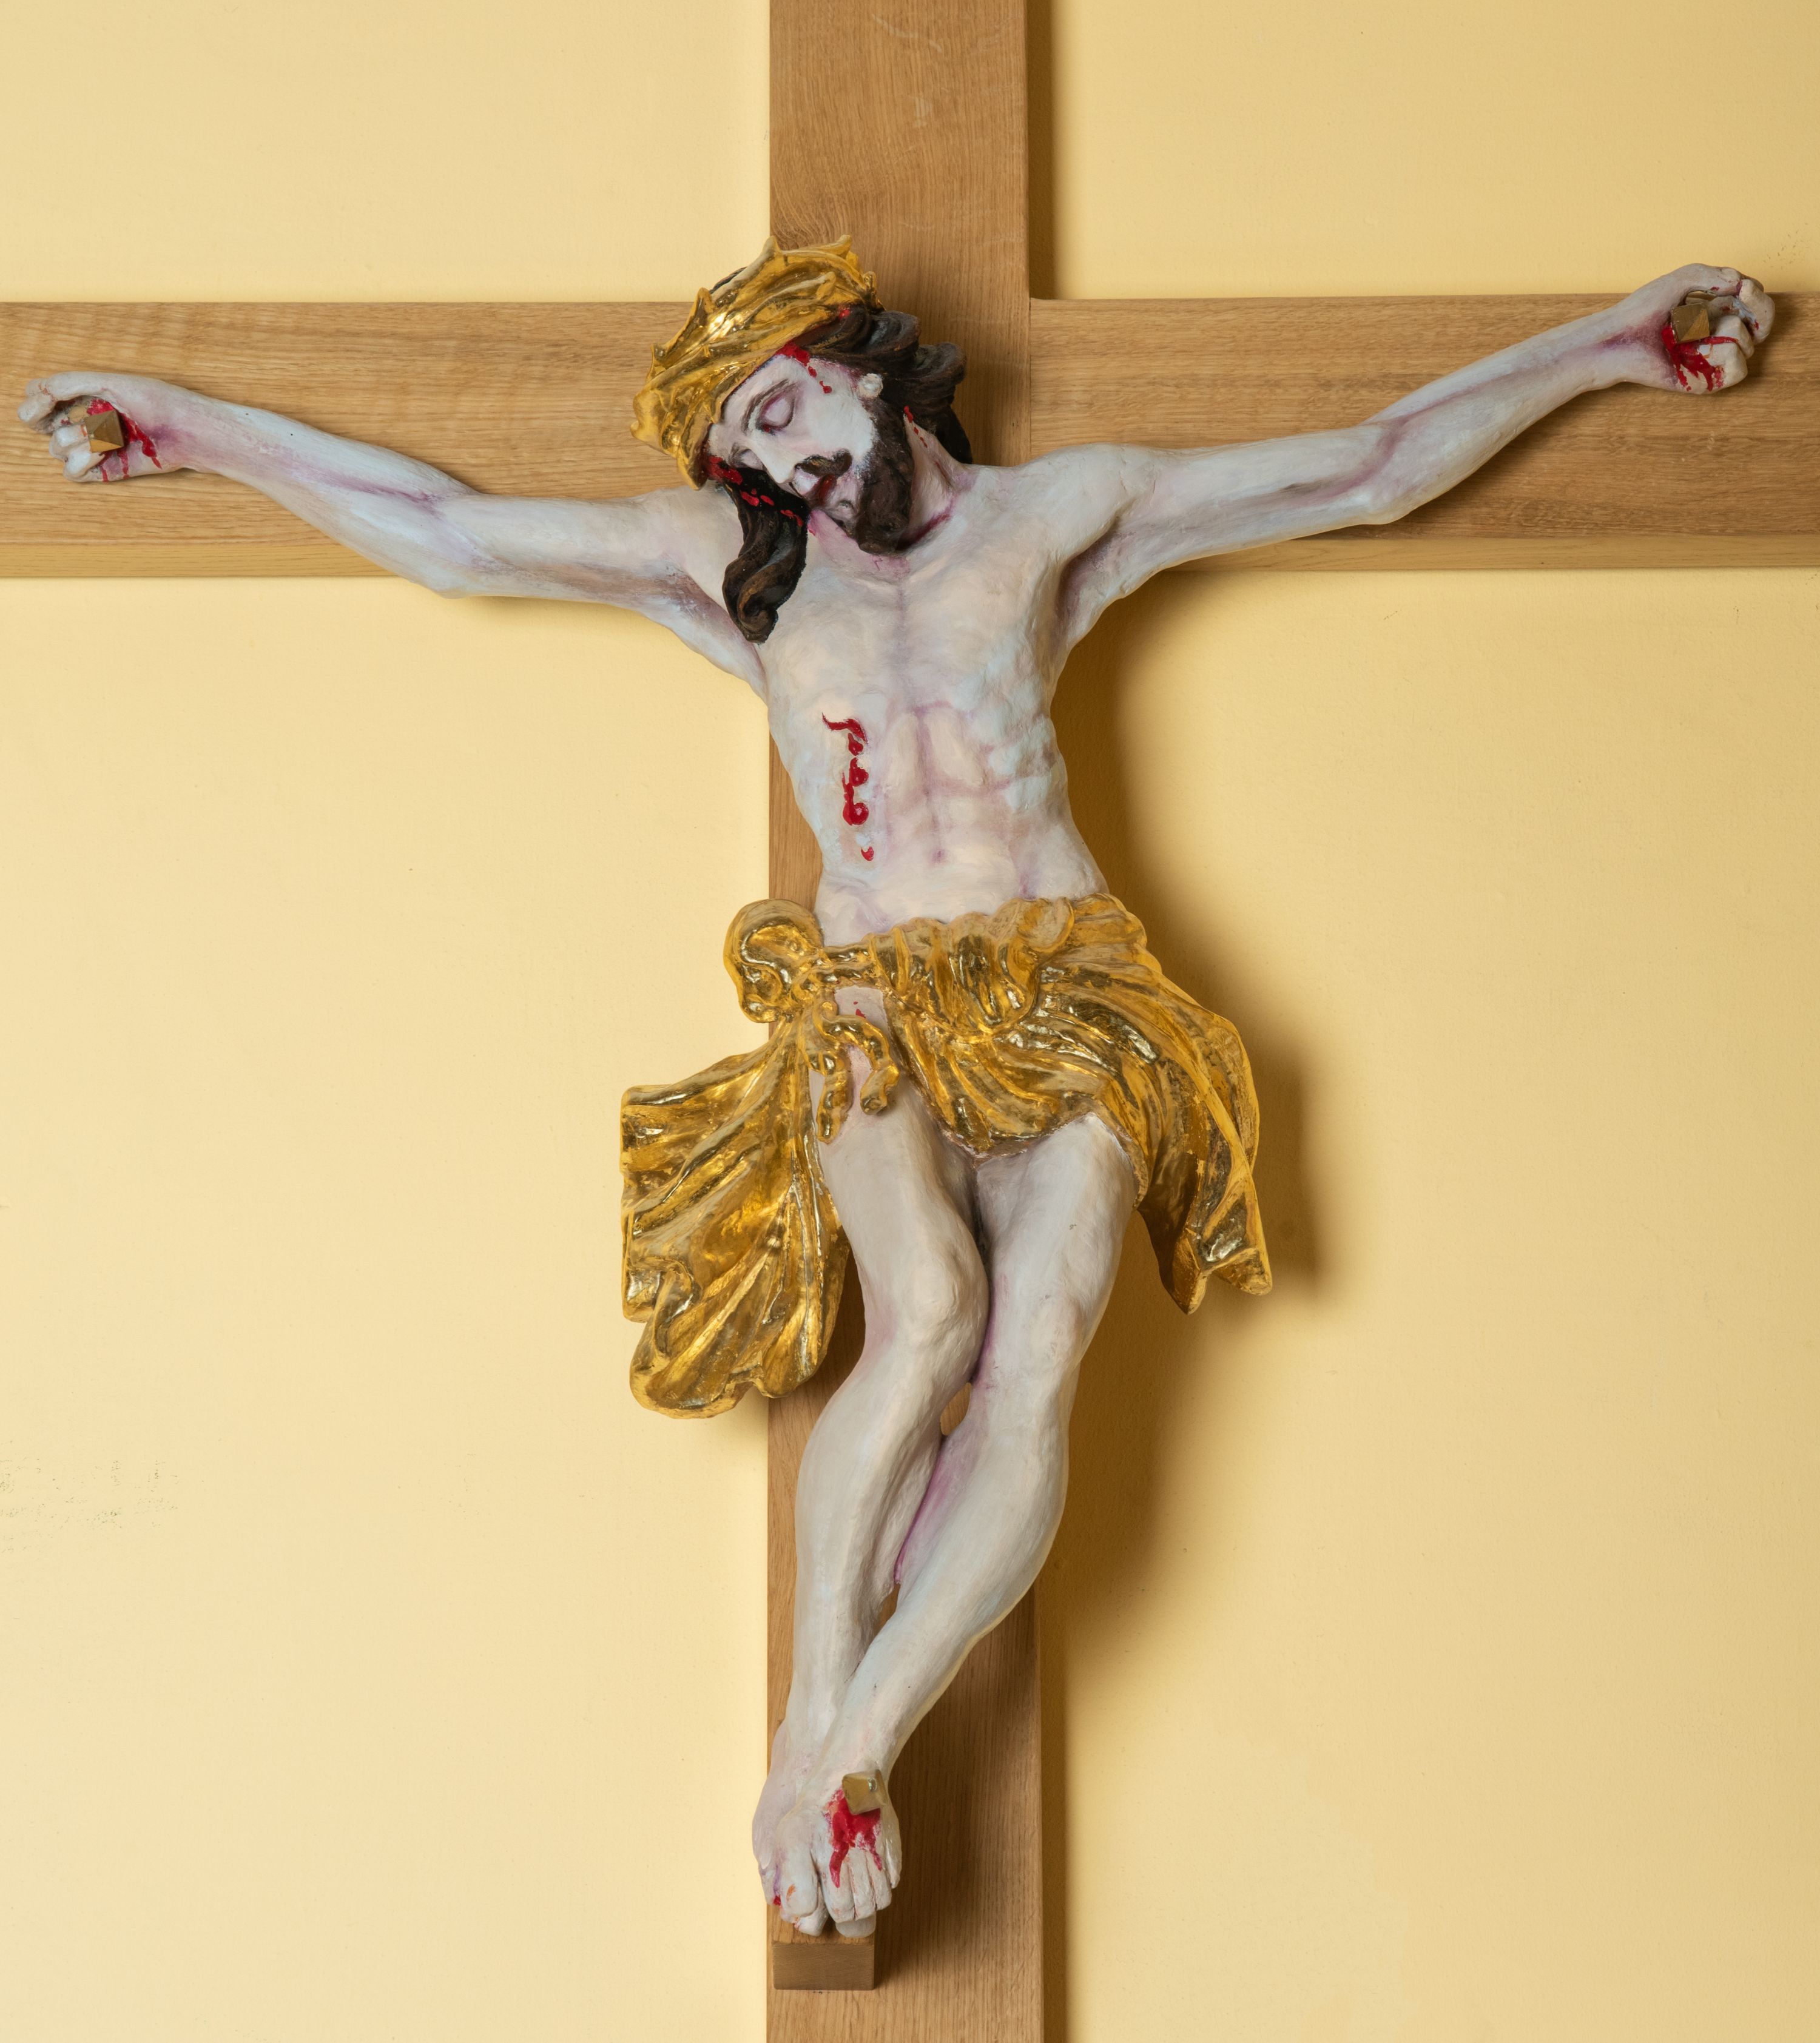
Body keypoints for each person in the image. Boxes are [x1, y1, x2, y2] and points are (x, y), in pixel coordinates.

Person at [18, 241, 1774, 1936]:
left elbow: (1371, 466)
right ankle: (813, 1727)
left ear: (869, 368)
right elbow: (454, 536)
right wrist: (189, 429)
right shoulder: (736, 569)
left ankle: (854, 1752)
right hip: (874, 994)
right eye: (747, 446)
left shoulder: (1057, 517)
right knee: (926, 1306)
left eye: (784, 409)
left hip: (1073, 986)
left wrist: (1613, 343)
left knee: (1039, 1348)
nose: (777, 464)